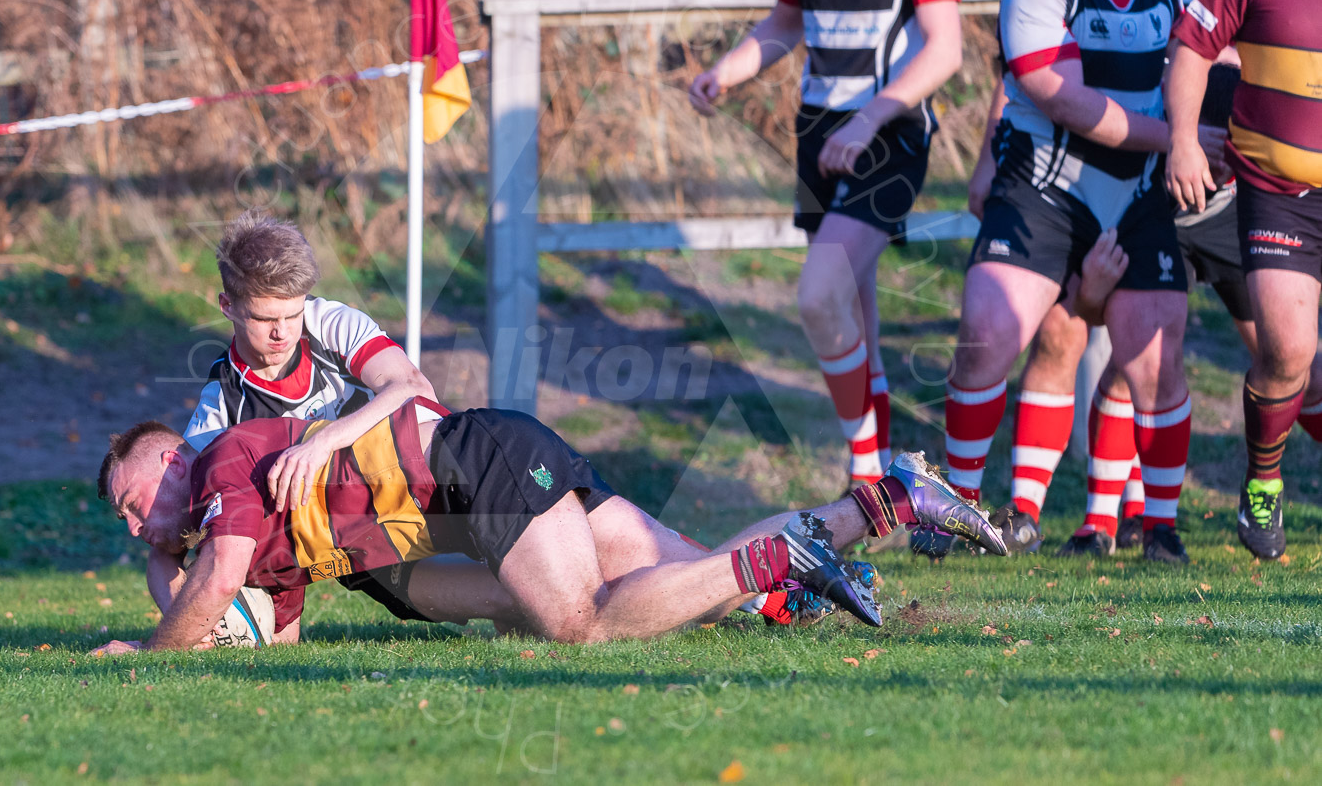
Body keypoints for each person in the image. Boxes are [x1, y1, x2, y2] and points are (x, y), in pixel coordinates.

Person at [91, 398, 1007, 651]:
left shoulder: (220, 468)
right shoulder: (258, 528)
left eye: (138, 503)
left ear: (174, 459)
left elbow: (216, 583)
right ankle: (888, 500)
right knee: (682, 585)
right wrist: (170, 589)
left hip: (472, 466)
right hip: (483, 471)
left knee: (579, 619)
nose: (140, 527)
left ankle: (785, 558)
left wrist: (149, 649)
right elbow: (254, 622)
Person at [958, 0, 1233, 557]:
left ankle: (1160, 529)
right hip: (1044, 194)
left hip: (1135, 200)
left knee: (1157, 353)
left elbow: (1215, 51)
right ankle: (956, 511)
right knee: (987, 330)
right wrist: (1179, 141)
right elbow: (1068, 102)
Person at [688, 0, 964, 487]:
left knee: (818, 296)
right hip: (819, 132)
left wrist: (869, 118)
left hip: (888, 131)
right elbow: (786, 23)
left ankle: (867, 475)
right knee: (852, 311)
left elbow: (945, 50)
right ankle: (879, 471)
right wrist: (726, 72)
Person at [169, 210, 519, 629]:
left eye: (292, 314)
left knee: (539, 569)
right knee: (500, 602)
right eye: (265, 319)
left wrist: (322, 443)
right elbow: (179, 532)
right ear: (227, 305)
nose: (282, 332)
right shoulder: (222, 405)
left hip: (431, 476)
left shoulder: (329, 323)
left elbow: (412, 387)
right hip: (352, 531)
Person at [1167, 0, 1322, 560]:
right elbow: (1192, 49)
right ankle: (1263, 479)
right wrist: (1181, 138)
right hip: (1277, 191)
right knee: (1287, 349)